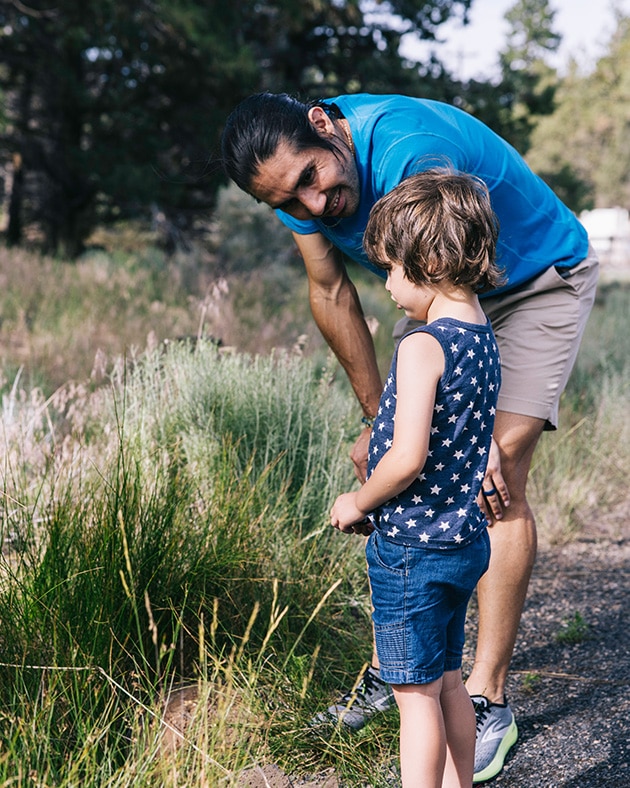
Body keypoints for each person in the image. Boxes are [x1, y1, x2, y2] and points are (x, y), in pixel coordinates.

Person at [220, 91, 599, 782]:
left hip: (534, 278)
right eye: (287, 201)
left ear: (322, 123)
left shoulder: (408, 152)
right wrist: (378, 420)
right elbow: (332, 291)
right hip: (437, 295)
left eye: (311, 179)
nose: (311, 207)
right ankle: (412, 666)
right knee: (428, 465)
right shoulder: (296, 188)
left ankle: (486, 696)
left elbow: (444, 266)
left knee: (494, 477)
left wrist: (462, 432)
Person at [330, 167, 502, 787]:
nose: (389, 287)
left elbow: (406, 459)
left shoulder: (424, 344)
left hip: (413, 549)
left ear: (428, 259)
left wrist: (358, 500)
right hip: (464, 541)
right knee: (449, 678)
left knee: (414, 697)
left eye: (392, 270)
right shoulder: (483, 336)